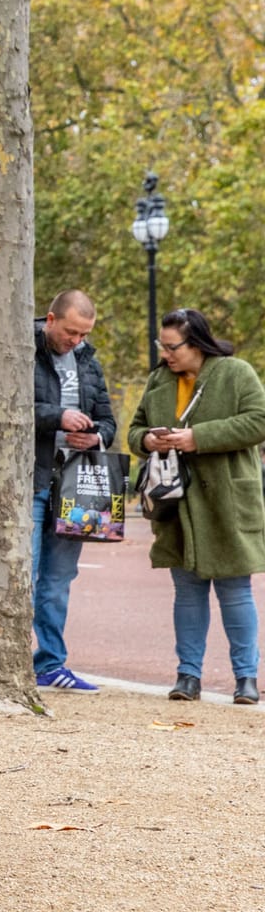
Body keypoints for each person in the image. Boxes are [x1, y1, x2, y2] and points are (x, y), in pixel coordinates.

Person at [128, 308, 265, 705]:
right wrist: (148, 441)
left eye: (172, 347)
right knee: (187, 593)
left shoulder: (235, 373)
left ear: (197, 343)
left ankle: (246, 678)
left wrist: (197, 437)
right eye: (162, 345)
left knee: (234, 591)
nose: (165, 354)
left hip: (226, 500)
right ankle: (187, 675)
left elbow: (258, 421)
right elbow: (135, 430)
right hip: (177, 502)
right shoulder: (159, 379)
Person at [30, 289, 115, 695]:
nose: (76, 341)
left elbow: (108, 420)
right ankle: (10, 659)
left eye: (84, 334)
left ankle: (50, 663)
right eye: (70, 332)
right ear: (50, 320)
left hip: (74, 485)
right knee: (24, 574)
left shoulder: (88, 361)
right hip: (31, 479)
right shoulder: (22, 350)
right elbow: (6, 407)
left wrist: (96, 437)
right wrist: (58, 418)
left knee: (58, 580)